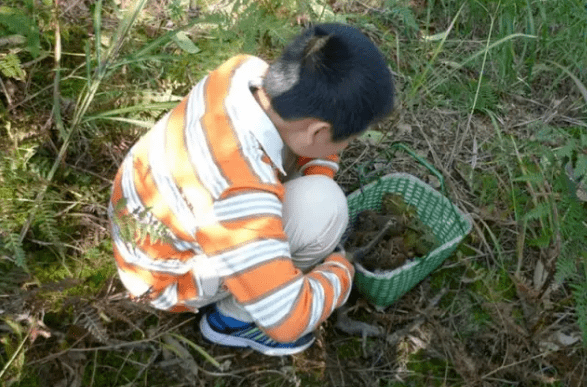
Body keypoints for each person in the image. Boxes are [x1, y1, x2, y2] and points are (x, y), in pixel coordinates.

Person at [108, 23, 394, 356]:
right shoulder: (238, 196)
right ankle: (231, 321)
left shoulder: (244, 72)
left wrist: (318, 173)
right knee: (325, 209)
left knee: (317, 192)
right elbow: (288, 320)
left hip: (154, 221)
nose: (344, 148)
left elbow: (309, 145)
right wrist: (341, 269)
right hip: (170, 278)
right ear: (317, 131)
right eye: (349, 139)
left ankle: (257, 279)